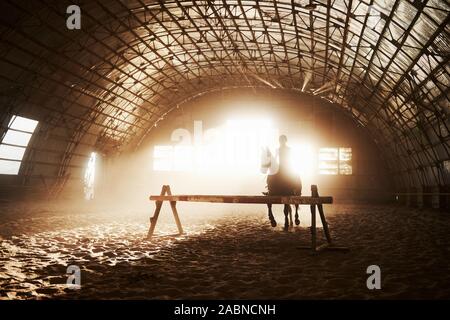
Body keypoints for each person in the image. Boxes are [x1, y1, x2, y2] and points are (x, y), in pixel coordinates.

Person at [262, 135, 302, 230]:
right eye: (280, 140)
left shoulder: (289, 149)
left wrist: (288, 165)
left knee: (295, 176)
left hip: (288, 166)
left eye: (283, 140)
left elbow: (291, 159)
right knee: (270, 175)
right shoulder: (277, 149)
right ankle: (270, 188)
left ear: (285, 141)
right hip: (280, 166)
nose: (281, 142)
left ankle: (296, 190)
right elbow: (275, 158)